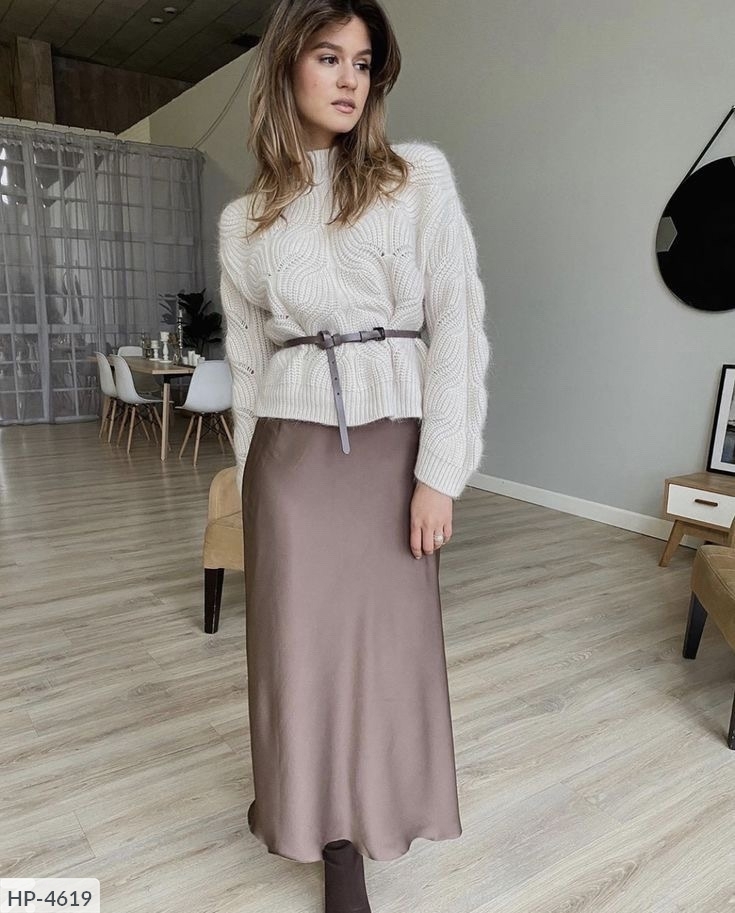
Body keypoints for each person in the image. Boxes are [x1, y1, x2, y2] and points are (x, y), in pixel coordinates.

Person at [218, 0, 491, 910]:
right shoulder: (244, 219)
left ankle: (371, 812)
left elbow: (457, 325)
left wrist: (438, 471)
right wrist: (249, 493)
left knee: (386, 649)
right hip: (289, 461)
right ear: (286, 68)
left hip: (391, 454)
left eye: (363, 62)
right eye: (327, 57)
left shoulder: (416, 178)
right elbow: (248, 369)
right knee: (296, 651)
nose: (347, 79)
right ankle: (323, 835)